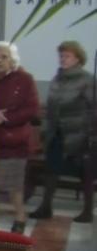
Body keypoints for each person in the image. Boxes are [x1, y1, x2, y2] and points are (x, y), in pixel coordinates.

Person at [30, 40, 95, 223]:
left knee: (85, 173)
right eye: (61, 56)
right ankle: (46, 206)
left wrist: (91, 134)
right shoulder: (57, 78)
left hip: (79, 134)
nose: (63, 59)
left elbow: (94, 108)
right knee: (51, 169)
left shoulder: (87, 80)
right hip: (57, 133)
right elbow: (51, 107)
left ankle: (87, 211)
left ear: (77, 58)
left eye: (67, 56)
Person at [0, 41, 40, 233]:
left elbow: (32, 108)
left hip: (15, 141)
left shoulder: (24, 79)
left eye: (4, 57)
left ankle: (19, 217)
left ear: (13, 59)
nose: (0, 61)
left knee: (14, 186)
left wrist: (7, 117)